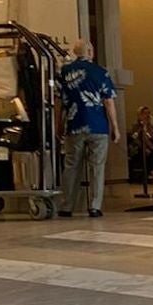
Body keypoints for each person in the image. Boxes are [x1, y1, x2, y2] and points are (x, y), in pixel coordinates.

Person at [55, 39, 121, 218]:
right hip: (98, 126)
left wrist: (59, 125)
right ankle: (95, 206)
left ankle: (67, 205)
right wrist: (115, 126)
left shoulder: (64, 72)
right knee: (97, 167)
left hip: (74, 124)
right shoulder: (100, 72)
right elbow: (108, 101)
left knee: (71, 166)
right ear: (90, 52)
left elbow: (59, 102)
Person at [128, 105, 153, 184]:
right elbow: (135, 139)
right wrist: (145, 147)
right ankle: (150, 173)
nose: (147, 115)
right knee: (150, 154)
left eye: (148, 113)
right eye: (145, 113)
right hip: (140, 148)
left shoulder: (152, 126)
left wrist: (149, 126)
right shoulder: (136, 126)